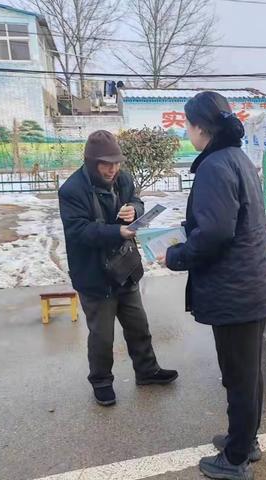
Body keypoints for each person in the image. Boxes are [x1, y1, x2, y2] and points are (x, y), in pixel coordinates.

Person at [165, 92, 266, 480]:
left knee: (239, 376)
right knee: (247, 374)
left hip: (237, 290)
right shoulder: (238, 158)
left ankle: (235, 459)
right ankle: (244, 440)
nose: (187, 131)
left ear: (201, 128)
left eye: (187, 125)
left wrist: (178, 254)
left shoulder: (216, 164)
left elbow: (215, 232)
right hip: (251, 284)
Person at [59, 130, 178, 407]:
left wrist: (134, 211)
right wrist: (118, 231)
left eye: (116, 162)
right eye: (105, 163)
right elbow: (79, 231)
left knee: (138, 325)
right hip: (93, 275)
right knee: (102, 336)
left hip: (125, 267)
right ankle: (101, 382)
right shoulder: (72, 190)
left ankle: (147, 371)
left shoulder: (122, 178)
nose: (112, 169)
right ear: (91, 162)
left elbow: (137, 200)